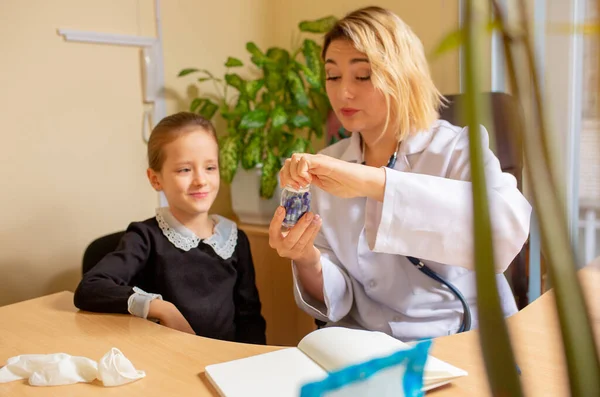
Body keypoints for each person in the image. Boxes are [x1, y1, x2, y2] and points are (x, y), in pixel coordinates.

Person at [268, 6, 532, 341]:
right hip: (365, 343)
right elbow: (339, 292)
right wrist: (306, 258)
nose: (343, 92)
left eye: (362, 76)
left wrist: (374, 183)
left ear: (401, 75)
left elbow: (504, 229)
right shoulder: (327, 165)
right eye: (333, 76)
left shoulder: (456, 149)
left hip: (455, 339)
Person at [74, 112, 266, 345]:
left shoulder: (235, 239)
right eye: (185, 170)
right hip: (168, 365)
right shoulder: (145, 237)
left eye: (210, 167)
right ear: (156, 179)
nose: (200, 180)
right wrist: (162, 308)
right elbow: (90, 287)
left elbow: (250, 318)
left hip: (224, 365)